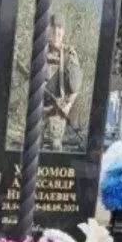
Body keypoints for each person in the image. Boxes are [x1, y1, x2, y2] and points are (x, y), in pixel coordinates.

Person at [42, 14, 82, 151]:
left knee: (55, 147)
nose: (56, 31)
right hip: (38, 110)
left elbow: (75, 87)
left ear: (63, 31)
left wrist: (68, 105)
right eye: (53, 27)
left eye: (59, 27)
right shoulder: (39, 50)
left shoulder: (69, 54)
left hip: (57, 113)